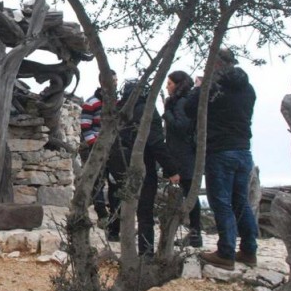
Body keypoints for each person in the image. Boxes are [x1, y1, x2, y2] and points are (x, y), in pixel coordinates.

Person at [186, 48, 258, 270]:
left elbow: (189, 109)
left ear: (216, 64)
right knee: (241, 201)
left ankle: (226, 253)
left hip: (220, 150)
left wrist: (198, 88)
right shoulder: (248, 89)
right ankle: (248, 250)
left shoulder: (212, 86)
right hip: (244, 150)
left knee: (221, 202)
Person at [107, 79, 180, 255]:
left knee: (123, 205)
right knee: (145, 211)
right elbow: (155, 143)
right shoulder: (147, 111)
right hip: (143, 167)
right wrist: (171, 169)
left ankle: (123, 245)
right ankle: (146, 253)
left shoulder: (118, 110)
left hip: (119, 165)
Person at [163, 71, 202, 248]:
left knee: (188, 194)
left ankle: (195, 234)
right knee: (187, 193)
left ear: (178, 85)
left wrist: (166, 113)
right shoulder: (182, 102)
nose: (167, 87)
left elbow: (181, 126)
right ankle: (193, 234)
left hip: (183, 155)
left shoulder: (181, 103)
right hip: (182, 154)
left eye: (170, 83)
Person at [79, 70, 117, 229]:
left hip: (114, 148)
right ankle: (101, 214)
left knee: (115, 182)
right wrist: (96, 145)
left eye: (116, 80)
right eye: (112, 80)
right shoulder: (91, 102)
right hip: (97, 148)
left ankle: (116, 216)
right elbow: (85, 127)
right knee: (97, 182)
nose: (115, 83)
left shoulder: (117, 102)